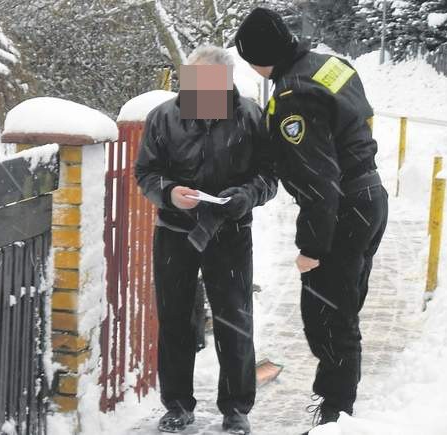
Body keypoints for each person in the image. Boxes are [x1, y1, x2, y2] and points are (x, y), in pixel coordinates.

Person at [235, 8, 389, 432]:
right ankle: (336, 409)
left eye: (249, 58)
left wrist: (311, 250)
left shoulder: (293, 97)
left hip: (343, 211)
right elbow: (361, 117)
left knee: (327, 319)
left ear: (261, 55)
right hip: (371, 198)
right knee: (343, 312)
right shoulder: (330, 65)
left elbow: (321, 184)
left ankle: (336, 416)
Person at [135, 45, 277, 434]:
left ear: (225, 82)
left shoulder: (250, 116)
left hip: (230, 233)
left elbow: (269, 176)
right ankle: (177, 404)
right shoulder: (163, 117)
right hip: (175, 233)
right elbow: (146, 172)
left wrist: (246, 195)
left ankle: (236, 409)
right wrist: (168, 193)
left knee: (234, 319)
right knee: (176, 319)